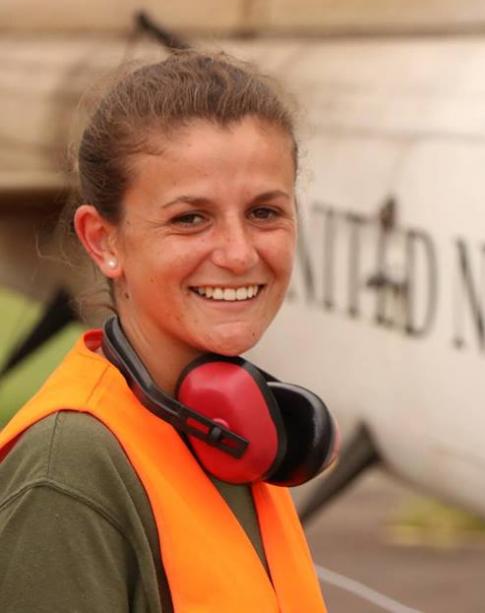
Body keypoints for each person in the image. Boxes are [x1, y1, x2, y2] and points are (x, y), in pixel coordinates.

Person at [0, 51, 329, 612]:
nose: (238, 253)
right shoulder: (70, 472)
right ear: (104, 241)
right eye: (189, 218)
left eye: (264, 213)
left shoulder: (235, 434)